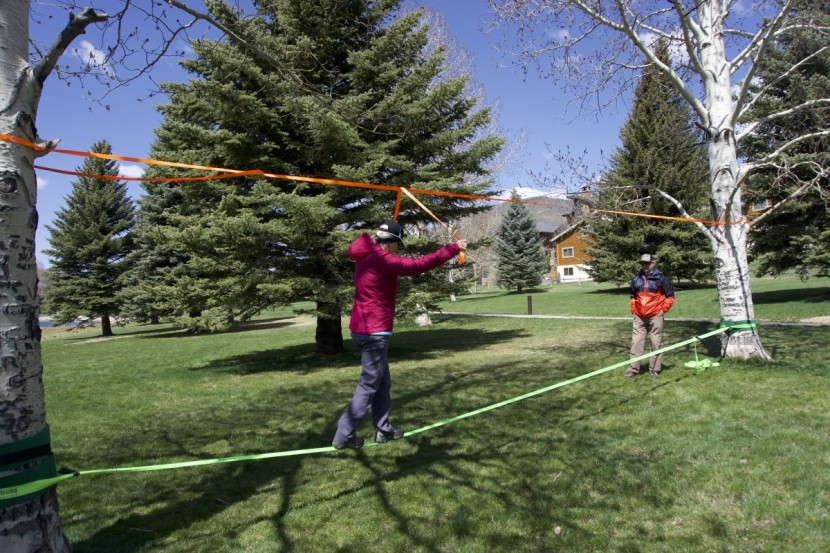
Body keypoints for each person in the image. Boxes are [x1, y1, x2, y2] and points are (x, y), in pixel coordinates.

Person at [332, 220, 466, 449]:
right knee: (368, 385)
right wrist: (453, 248)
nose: (398, 250)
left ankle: (383, 429)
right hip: (374, 331)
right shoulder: (383, 260)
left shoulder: (366, 255)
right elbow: (418, 265)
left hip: (361, 328)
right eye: (398, 245)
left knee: (382, 382)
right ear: (392, 243)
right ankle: (344, 435)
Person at [626, 253, 675, 377]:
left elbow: (670, 297)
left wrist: (662, 310)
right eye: (642, 263)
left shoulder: (661, 279)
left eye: (647, 263)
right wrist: (634, 309)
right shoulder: (636, 279)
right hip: (639, 316)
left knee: (655, 343)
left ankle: (654, 369)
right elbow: (633, 296)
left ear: (653, 263)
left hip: (655, 315)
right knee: (636, 343)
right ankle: (633, 369)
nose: (645, 266)